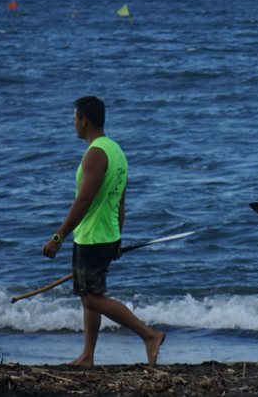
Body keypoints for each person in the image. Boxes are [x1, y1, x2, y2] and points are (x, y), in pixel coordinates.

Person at [42, 96, 165, 366]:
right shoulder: (116, 151)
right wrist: (118, 238)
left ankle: (149, 335)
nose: (72, 123)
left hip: (93, 237)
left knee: (92, 298)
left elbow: (83, 201)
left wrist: (58, 237)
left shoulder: (96, 153)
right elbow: (120, 200)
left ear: (84, 120)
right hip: (107, 234)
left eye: (75, 119)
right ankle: (87, 356)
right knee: (89, 297)